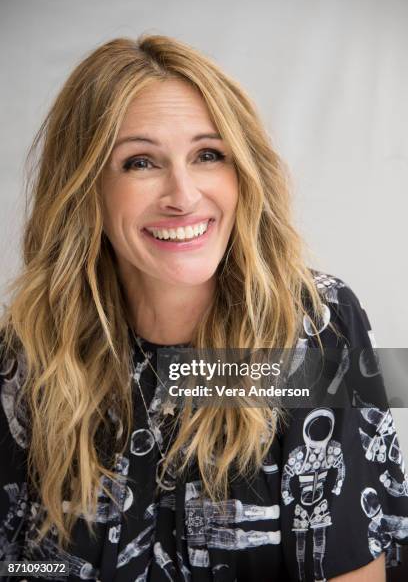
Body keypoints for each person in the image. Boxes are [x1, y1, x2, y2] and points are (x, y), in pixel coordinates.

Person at [0, 34, 407, 582]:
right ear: (85, 188)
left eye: (208, 155)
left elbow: (348, 571)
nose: (183, 194)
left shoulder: (312, 327)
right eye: (140, 162)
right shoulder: (29, 348)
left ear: (243, 173)